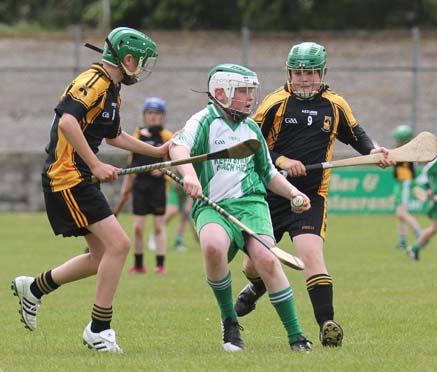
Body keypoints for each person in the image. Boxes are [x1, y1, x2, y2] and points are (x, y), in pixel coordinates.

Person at [11, 27, 168, 353]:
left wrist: (158, 151)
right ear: (126, 59)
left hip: (78, 176)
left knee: (101, 256)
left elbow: (115, 136)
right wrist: (96, 166)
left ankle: (34, 288)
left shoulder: (112, 90)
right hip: (66, 176)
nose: (140, 69)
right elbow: (68, 122)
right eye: (140, 62)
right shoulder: (94, 82)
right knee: (119, 245)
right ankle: (99, 329)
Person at [233, 42, 394, 347]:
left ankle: (327, 325)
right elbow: (251, 142)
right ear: (289, 72)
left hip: (309, 198)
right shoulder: (275, 103)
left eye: (310, 73)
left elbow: (356, 136)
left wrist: (374, 151)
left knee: (311, 256)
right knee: (252, 265)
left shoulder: (335, 104)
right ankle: (256, 287)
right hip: (269, 196)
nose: (304, 79)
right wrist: (282, 161)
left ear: (322, 73)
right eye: (299, 72)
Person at [169, 63, 313, 352]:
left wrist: (293, 193)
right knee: (211, 246)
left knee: (268, 261)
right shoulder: (204, 121)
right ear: (221, 92)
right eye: (243, 91)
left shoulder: (250, 129)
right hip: (213, 205)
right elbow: (177, 147)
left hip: (251, 205)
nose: (250, 97)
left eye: (251, 91)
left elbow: (268, 173)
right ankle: (230, 322)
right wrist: (189, 176)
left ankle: (296, 336)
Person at [118, 97, 173, 275]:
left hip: (158, 187)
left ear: (162, 116)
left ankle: (160, 265)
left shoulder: (166, 136)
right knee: (137, 227)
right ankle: (139, 264)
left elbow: (175, 161)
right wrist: (126, 187)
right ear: (144, 116)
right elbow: (131, 162)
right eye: (150, 113)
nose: (153, 117)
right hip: (140, 186)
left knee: (158, 227)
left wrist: (164, 168)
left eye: (157, 114)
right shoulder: (137, 134)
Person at [407, 128, 437, 261]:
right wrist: (429, 190)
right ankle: (414, 248)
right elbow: (425, 175)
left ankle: (414, 249)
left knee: (434, 229)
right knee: (435, 228)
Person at [392, 125, 422, 249]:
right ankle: (403, 240)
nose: (395, 142)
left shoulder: (408, 152)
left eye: (398, 140)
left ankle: (420, 233)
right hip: (399, 183)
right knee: (399, 215)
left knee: (402, 213)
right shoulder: (403, 150)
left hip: (405, 183)